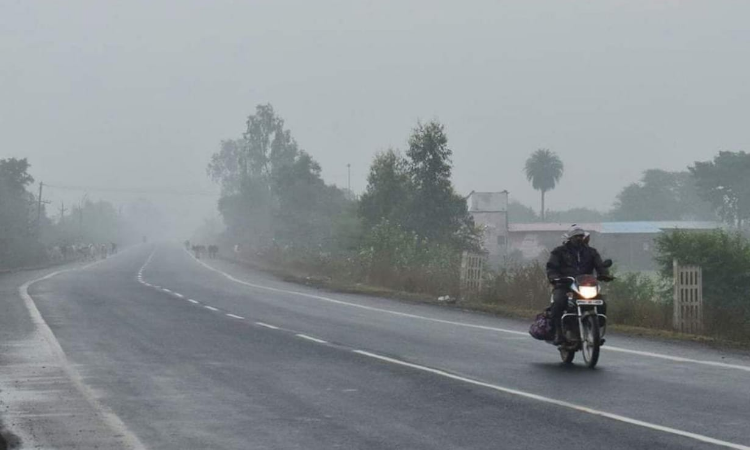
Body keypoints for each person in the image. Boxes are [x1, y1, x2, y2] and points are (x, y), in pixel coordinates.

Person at [545, 225, 613, 345]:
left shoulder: (591, 252)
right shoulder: (559, 251)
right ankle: (558, 333)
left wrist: (604, 274)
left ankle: (595, 330)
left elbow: (600, 265)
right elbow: (552, 266)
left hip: (585, 285)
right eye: (576, 236)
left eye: (581, 236)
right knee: (558, 302)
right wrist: (554, 277)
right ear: (570, 238)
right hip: (565, 284)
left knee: (601, 303)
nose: (579, 239)